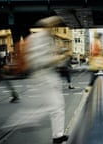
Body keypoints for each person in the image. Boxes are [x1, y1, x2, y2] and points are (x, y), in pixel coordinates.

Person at [24, 16, 70, 144]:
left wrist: (58, 57)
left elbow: (51, 59)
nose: (53, 28)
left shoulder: (49, 39)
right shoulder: (37, 39)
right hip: (43, 76)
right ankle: (57, 137)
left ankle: (58, 135)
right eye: (52, 25)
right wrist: (59, 58)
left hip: (50, 76)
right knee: (55, 106)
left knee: (58, 106)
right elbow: (40, 61)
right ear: (46, 26)